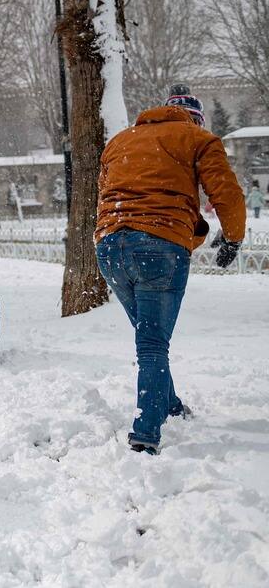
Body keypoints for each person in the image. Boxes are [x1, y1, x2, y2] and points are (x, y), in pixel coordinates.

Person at [95, 88, 244, 455]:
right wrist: (233, 239)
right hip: (159, 246)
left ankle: (170, 404)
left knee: (150, 336)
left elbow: (103, 192)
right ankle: (146, 432)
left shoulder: (120, 141)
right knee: (152, 342)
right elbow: (225, 191)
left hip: (110, 246)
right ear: (195, 118)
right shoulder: (198, 138)